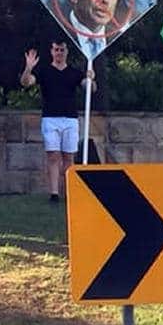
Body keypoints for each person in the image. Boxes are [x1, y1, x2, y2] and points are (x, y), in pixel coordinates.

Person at [19, 41, 94, 204]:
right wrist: (28, 67)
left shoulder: (74, 72)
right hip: (50, 119)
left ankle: (69, 192)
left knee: (69, 157)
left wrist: (90, 79)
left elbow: (90, 88)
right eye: (56, 50)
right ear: (52, 52)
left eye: (62, 50)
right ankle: (54, 194)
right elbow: (26, 82)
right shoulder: (44, 71)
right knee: (53, 156)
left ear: (66, 52)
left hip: (70, 119)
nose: (59, 52)